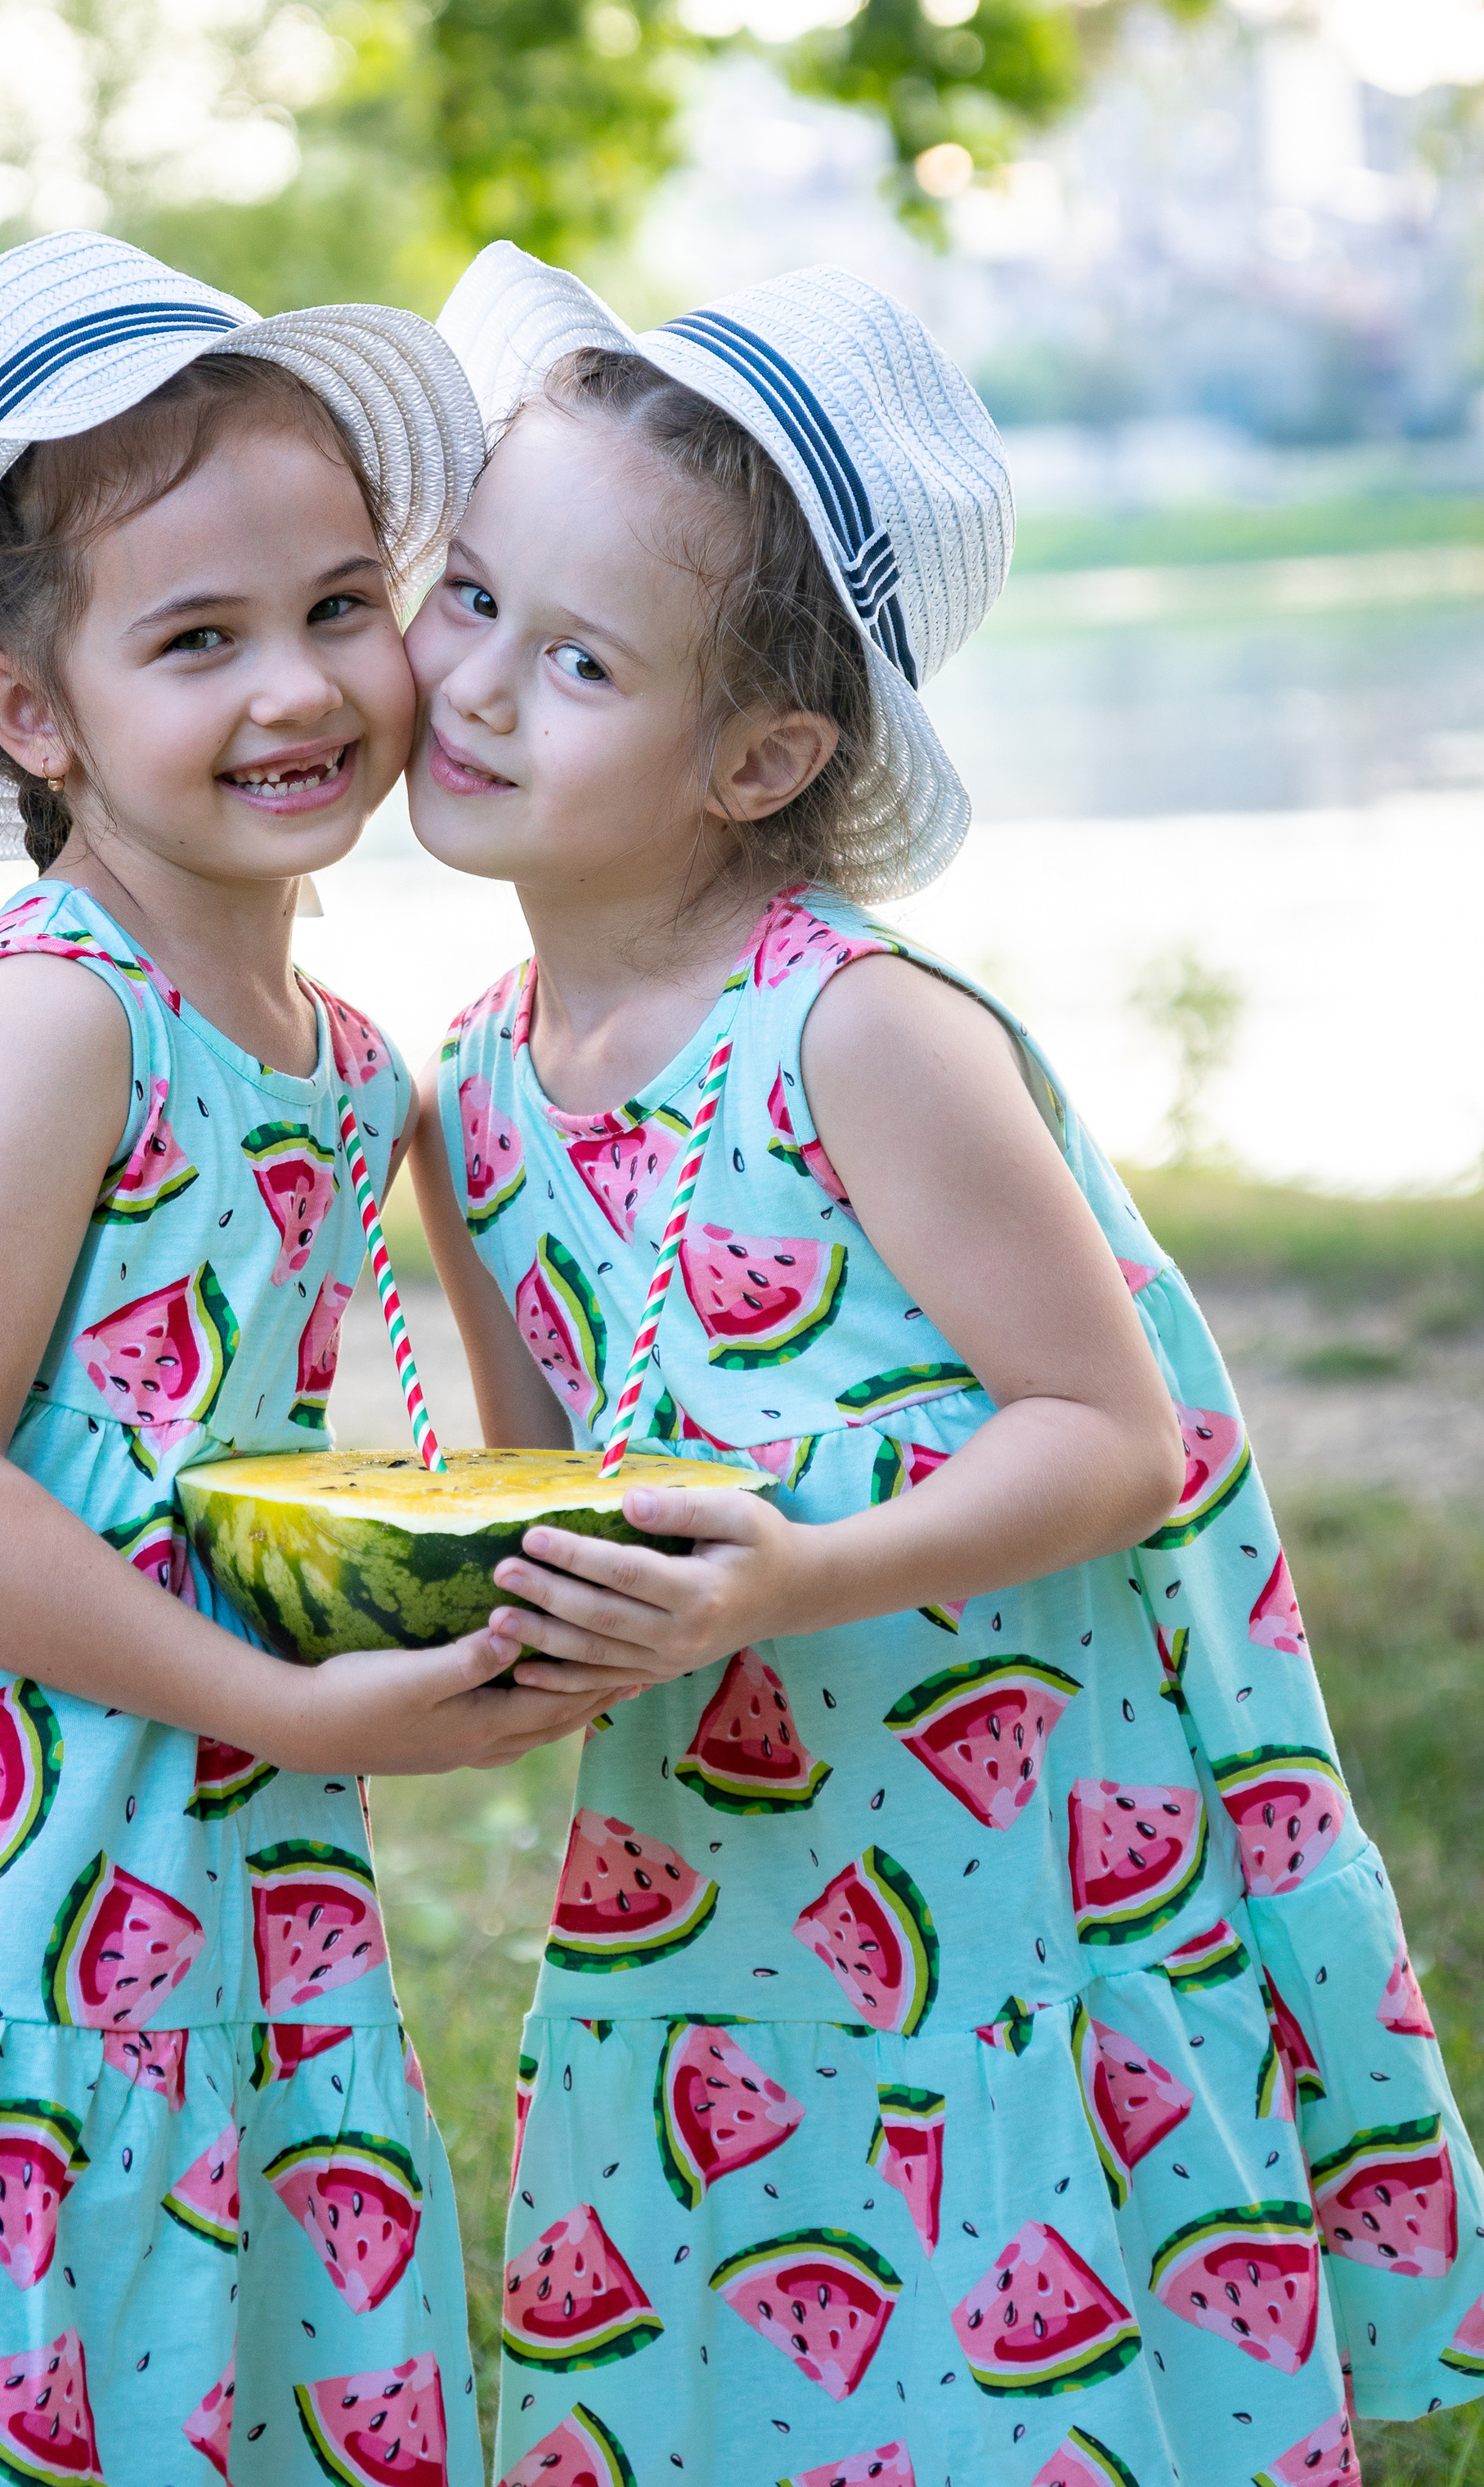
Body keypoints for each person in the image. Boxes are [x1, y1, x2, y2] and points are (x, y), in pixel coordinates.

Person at [405, 244, 1484, 2487]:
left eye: (582, 656)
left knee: (1034, 2374)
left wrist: (774, 1580)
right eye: (471, 596)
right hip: (720, 1873)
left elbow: (1117, 1433)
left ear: (762, 755)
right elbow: (552, 1496)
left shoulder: (864, 1032)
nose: (478, 686)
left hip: (1008, 1868)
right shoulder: (471, 1094)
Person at [0, 234, 631, 2487]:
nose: (301, 689)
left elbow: (381, 1447)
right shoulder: (53, 1016)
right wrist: (288, 1703)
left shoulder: (355, 1065)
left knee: (206, 2323)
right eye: (199, 640)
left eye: (343, 604)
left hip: (216, 1820)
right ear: (29, 711)